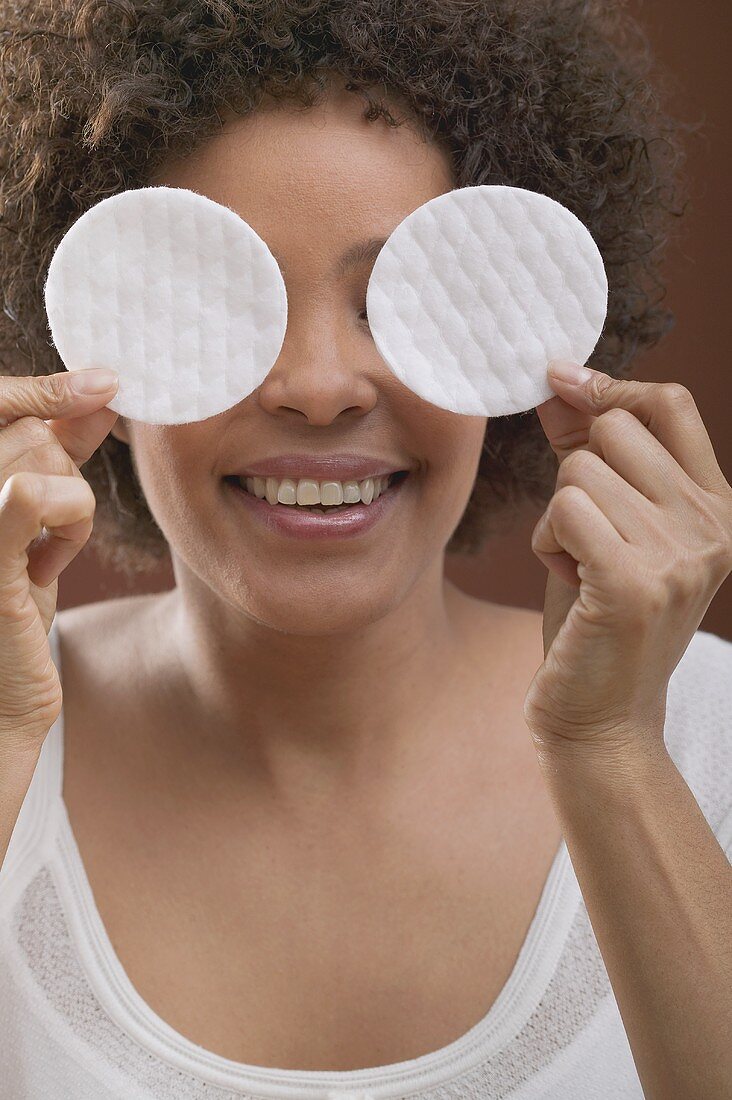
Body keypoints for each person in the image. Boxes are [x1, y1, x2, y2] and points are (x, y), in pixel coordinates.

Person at [0, 2, 730, 1098]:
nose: (319, 384)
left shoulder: (712, 738)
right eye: (215, 300)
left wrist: (613, 750)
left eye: (400, 298)